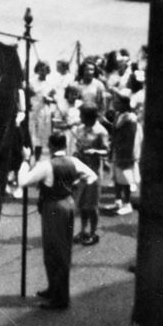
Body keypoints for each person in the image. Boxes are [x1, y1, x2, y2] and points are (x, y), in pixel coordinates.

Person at [17, 132, 98, 311]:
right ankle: (54, 288)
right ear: (64, 144)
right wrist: (76, 185)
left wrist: (25, 160)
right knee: (57, 249)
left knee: (56, 251)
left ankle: (60, 299)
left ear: (50, 146)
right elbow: (92, 176)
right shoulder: (73, 162)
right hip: (67, 204)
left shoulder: (46, 165)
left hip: (53, 208)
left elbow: (22, 181)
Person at [72, 105, 109, 245]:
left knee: (92, 205)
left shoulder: (101, 131)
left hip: (93, 172)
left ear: (90, 116)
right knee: (82, 204)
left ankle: (93, 233)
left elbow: (106, 151)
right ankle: (83, 230)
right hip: (81, 171)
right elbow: (77, 147)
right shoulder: (80, 129)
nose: (80, 118)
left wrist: (95, 151)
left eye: (82, 115)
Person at [109, 91, 138, 215]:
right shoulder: (118, 115)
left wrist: (126, 155)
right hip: (117, 149)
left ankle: (127, 203)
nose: (114, 104)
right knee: (117, 177)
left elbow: (130, 138)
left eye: (117, 102)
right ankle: (118, 201)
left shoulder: (130, 118)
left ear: (124, 104)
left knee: (125, 178)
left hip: (125, 152)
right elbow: (115, 132)